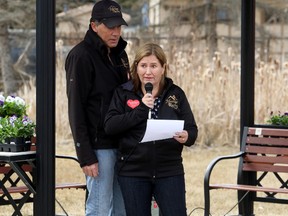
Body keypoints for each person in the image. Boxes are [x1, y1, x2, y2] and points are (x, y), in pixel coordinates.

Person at [104, 43, 198, 216]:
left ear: (163, 68)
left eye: (154, 66)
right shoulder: (123, 93)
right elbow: (110, 126)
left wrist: (187, 136)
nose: (148, 72)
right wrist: (141, 109)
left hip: (169, 170)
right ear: (136, 68)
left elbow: (192, 129)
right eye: (143, 65)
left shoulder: (176, 94)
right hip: (133, 170)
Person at [65, 0, 129, 215]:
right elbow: (76, 109)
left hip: (124, 144)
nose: (116, 32)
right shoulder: (80, 56)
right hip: (99, 147)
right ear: (94, 25)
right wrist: (86, 155)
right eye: (110, 26)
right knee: (100, 209)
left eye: (119, 26)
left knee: (124, 208)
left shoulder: (120, 54)